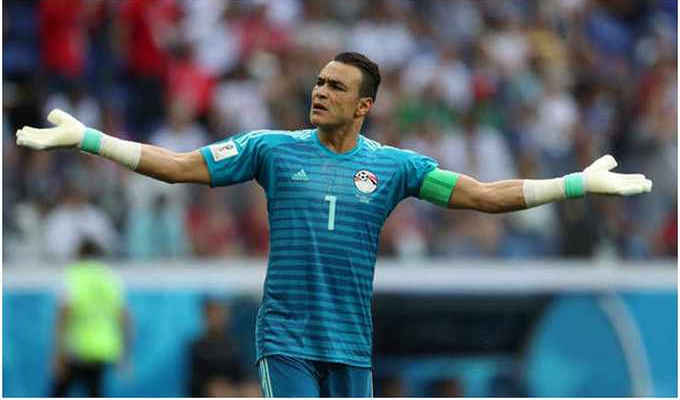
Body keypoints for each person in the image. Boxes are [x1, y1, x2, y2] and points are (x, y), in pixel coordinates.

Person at [17, 51, 652, 397]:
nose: (319, 91)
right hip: (287, 340)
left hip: (351, 344)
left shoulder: (398, 167)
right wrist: (90, 139)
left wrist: (577, 183)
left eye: (335, 87)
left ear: (364, 105)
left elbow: (484, 196)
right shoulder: (271, 147)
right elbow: (180, 166)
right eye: (318, 82)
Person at [51, 239, 131, 397]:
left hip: (76, 349)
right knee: (95, 392)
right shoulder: (110, 277)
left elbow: (63, 316)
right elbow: (124, 317)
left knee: (59, 392)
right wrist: (124, 353)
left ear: (79, 254)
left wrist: (58, 353)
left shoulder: (73, 275)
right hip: (102, 349)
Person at [188, 299, 248, 397]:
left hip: (231, 390)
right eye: (214, 314)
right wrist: (215, 387)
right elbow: (195, 382)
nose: (218, 317)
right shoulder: (197, 347)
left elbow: (241, 376)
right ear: (207, 316)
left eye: (220, 313)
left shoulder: (233, 346)